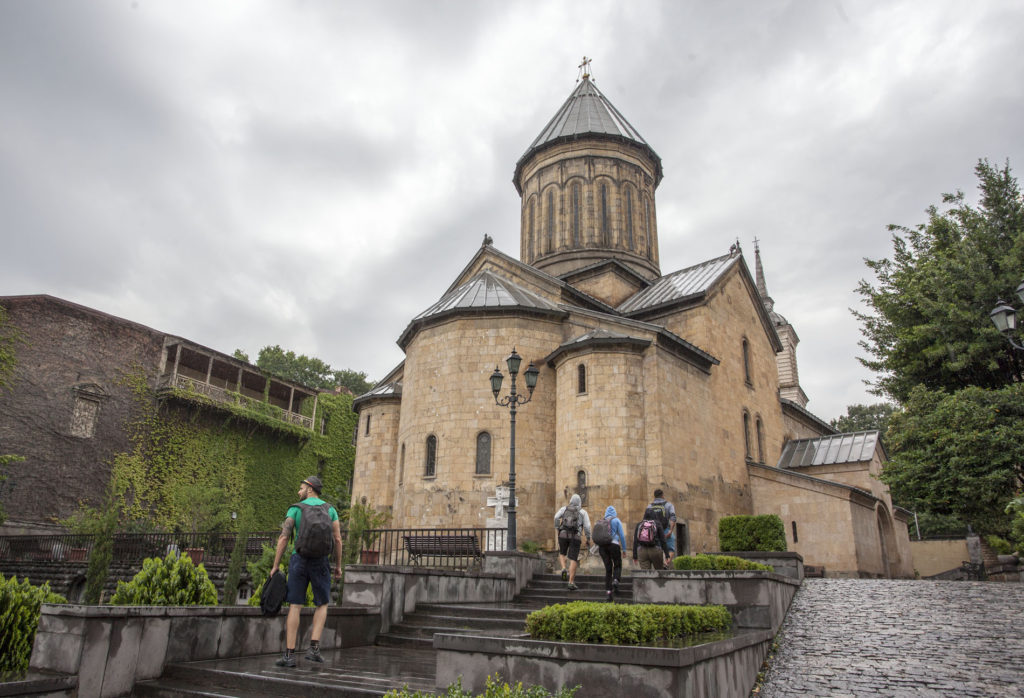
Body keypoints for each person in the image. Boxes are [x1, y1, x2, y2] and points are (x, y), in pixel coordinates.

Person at [271, 475, 344, 668]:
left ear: (310, 489)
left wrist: (275, 565)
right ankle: (313, 648)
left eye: (301, 488)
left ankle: (289, 654)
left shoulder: (295, 508)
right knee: (322, 604)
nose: (299, 491)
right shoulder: (331, 510)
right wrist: (338, 566)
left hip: (299, 560)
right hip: (321, 562)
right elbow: (337, 540)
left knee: (295, 605)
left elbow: (284, 537)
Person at [553, 493, 591, 590]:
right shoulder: (583, 512)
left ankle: (563, 568)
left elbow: (556, 517)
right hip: (576, 536)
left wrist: (558, 528)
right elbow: (587, 526)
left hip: (563, 534)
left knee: (562, 553)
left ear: (570, 501)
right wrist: (588, 538)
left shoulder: (564, 509)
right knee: (573, 559)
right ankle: (570, 582)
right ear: (580, 502)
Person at [594, 505, 627, 602]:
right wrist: (624, 549)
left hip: (602, 547)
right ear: (615, 513)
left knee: (608, 570)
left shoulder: (601, 522)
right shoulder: (616, 520)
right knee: (617, 564)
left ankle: (608, 593)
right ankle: (616, 580)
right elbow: (621, 535)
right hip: (614, 545)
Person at [632, 505, 670, 570]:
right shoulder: (657, 523)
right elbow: (663, 540)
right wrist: (667, 555)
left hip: (642, 551)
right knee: (659, 572)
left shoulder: (639, 524)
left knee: (646, 574)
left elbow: (635, 541)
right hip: (655, 550)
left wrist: (635, 556)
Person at [649, 488, 678, 561]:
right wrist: (670, 531)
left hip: (654, 532)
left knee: (657, 549)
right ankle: (666, 563)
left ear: (654, 496)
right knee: (670, 549)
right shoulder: (668, 505)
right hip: (665, 530)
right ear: (662, 495)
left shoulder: (649, 506)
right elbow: (673, 517)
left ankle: (660, 565)